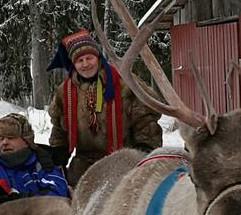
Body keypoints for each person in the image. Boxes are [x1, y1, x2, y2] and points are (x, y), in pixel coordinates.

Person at [47, 29, 163, 187]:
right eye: (80, 60)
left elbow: (145, 121)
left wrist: (144, 150)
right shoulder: (65, 92)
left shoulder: (123, 84)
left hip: (124, 164)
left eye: (89, 58)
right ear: (73, 64)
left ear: (98, 57)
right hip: (84, 168)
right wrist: (59, 150)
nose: (85, 64)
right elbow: (60, 130)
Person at [0, 112, 69, 199]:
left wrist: (24, 199)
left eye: (10, 137)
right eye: (1, 138)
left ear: (27, 141)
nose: (4, 142)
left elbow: (58, 194)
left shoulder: (42, 165)